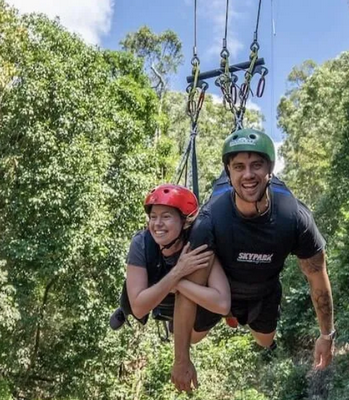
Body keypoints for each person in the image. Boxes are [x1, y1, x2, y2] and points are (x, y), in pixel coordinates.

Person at [170, 129, 336, 392]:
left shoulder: (293, 217)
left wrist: (327, 335)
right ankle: (227, 311)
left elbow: (317, 275)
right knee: (191, 338)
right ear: (228, 173)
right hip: (218, 290)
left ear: (270, 169)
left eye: (256, 165)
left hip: (263, 290)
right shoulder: (211, 220)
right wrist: (181, 360)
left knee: (264, 340)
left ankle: (237, 315)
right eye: (239, 167)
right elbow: (189, 296)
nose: (248, 174)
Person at [109, 184, 231, 347]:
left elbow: (222, 304)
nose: (157, 224)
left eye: (166, 217)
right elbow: (139, 308)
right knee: (130, 295)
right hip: (153, 291)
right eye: (153, 217)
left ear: (185, 221)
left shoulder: (197, 243)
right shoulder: (142, 243)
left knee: (193, 336)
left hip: (190, 301)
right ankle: (124, 311)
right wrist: (177, 273)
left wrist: (179, 283)